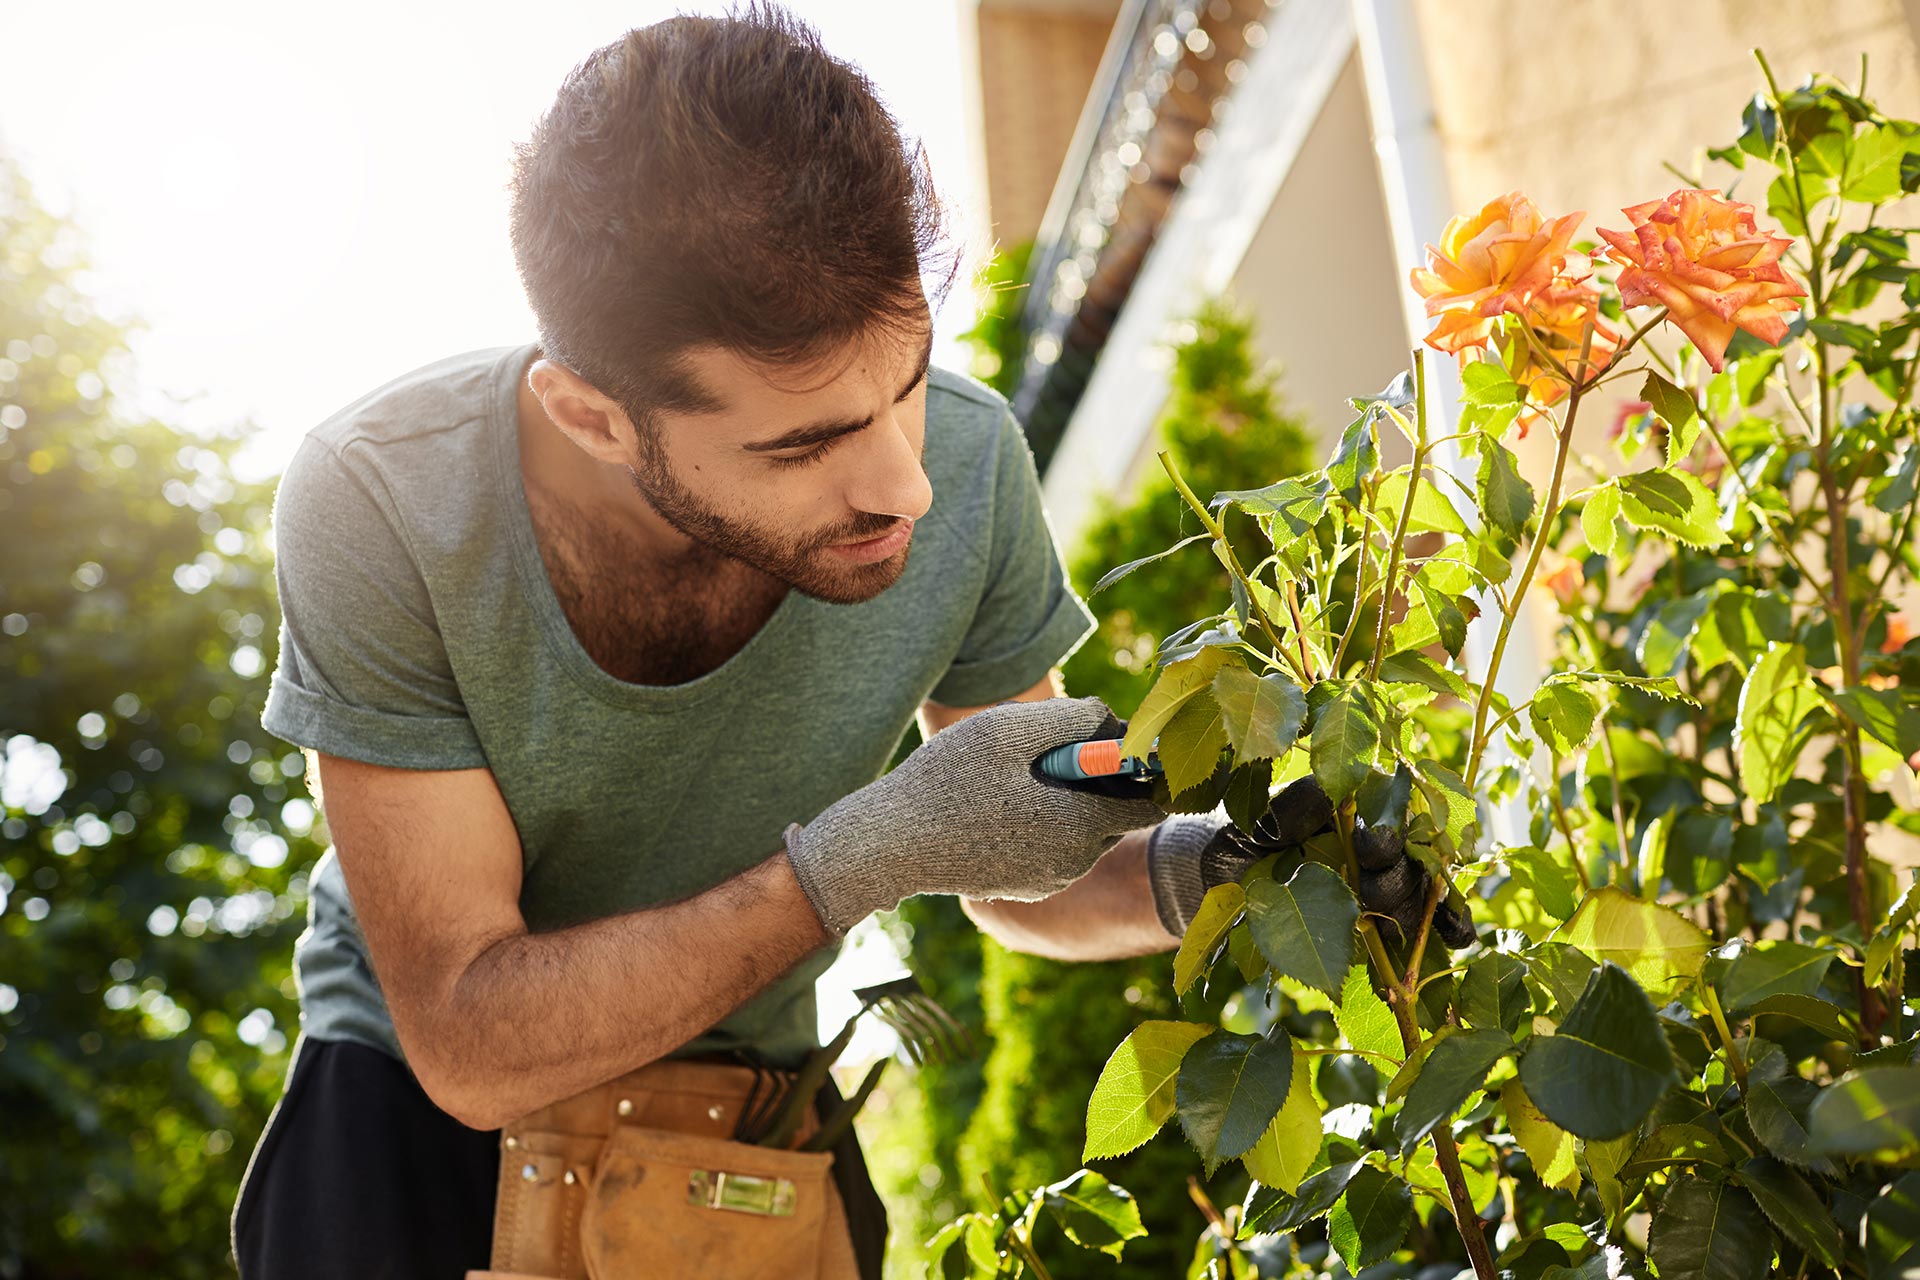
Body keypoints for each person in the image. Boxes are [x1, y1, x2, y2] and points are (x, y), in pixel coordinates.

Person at [228, 6, 1458, 1278]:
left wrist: (1226, 863)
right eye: (805, 443)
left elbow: (1009, 863)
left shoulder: (973, 468)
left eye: (909, 375)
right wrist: (856, 859)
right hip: (415, 1144)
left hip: (756, 1117)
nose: (905, 488)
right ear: (593, 418)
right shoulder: (385, 501)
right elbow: (474, 1044)